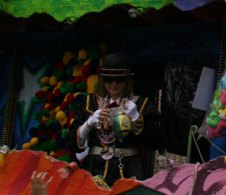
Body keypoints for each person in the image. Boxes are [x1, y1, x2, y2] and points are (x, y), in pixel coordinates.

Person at [66, 53, 163, 186]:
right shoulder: (90, 103)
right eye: (108, 80)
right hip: (94, 169)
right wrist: (89, 123)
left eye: (119, 80)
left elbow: (157, 141)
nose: (114, 84)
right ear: (102, 80)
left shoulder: (141, 104)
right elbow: (71, 143)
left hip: (127, 169)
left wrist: (137, 119)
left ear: (127, 80)